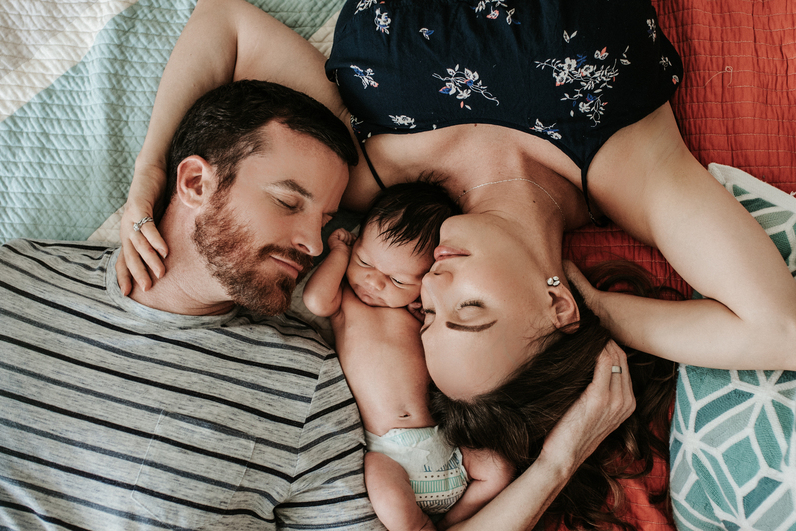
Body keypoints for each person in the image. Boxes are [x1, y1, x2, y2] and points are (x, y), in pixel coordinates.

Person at [115, 0, 796, 527]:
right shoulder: (633, 170)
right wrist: (602, 308)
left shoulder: (366, 181)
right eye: (468, 310)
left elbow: (227, 24)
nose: (434, 284)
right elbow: (779, 332)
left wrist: (147, 177)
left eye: (426, 314)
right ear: (555, 305)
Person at [0, 79, 390, 530]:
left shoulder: (306, 383)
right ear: (194, 182)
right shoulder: (16, 275)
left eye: (325, 220)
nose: (314, 244)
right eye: (288, 201)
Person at [303, 181, 514, 530]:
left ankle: (454, 520)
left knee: (498, 469)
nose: (373, 282)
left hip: (447, 442)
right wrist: (340, 254)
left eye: (398, 281)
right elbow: (315, 301)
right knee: (376, 475)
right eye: (364, 261)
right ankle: (418, 526)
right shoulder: (346, 302)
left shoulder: (420, 313)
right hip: (390, 455)